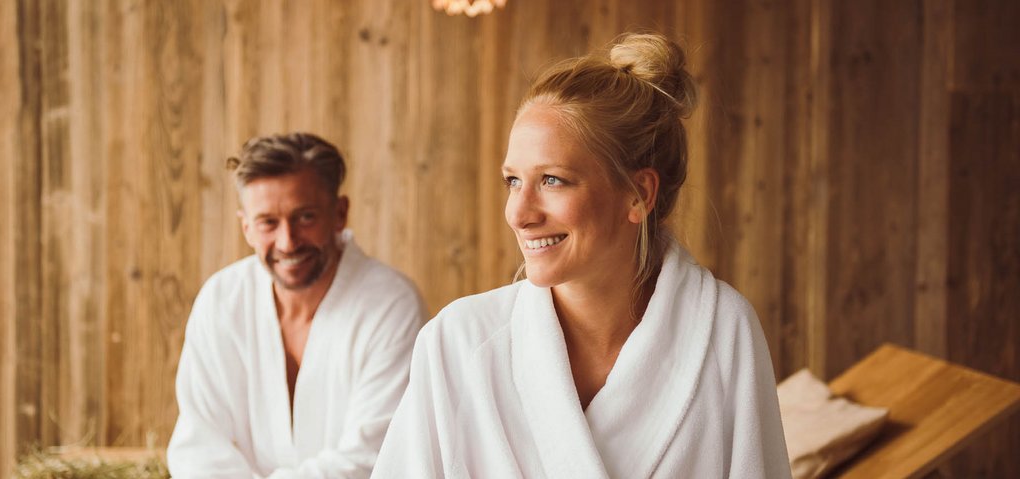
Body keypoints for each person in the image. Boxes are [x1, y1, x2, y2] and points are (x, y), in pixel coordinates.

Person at [373, 33, 791, 478]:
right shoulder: (456, 343)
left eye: (552, 180)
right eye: (513, 181)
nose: (518, 213)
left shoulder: (723, 331)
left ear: (638, 193)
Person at [168, 133, 426, 478]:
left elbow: (373, 456)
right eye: (268, 223)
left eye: (305, 217)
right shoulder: (221, 301)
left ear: (339, 213)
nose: (287, 242)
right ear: (246, 227)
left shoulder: (392, 306)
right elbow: (199, 447)